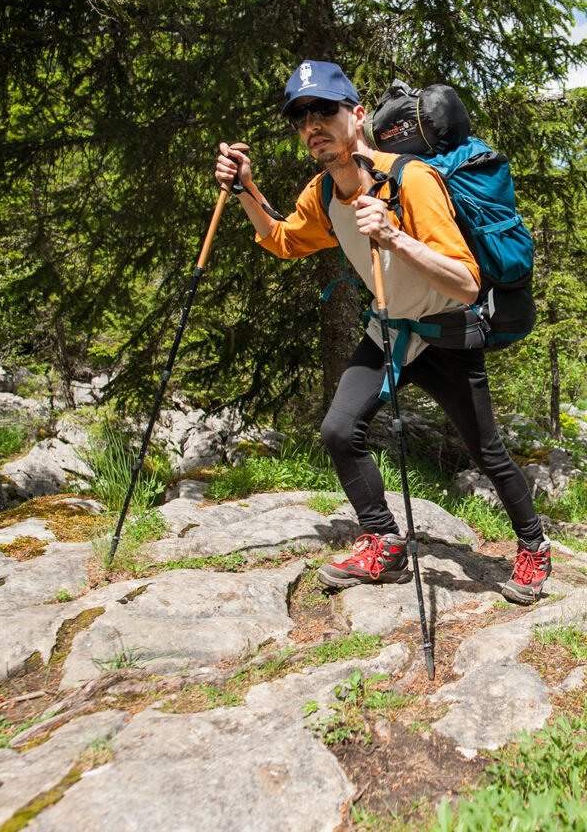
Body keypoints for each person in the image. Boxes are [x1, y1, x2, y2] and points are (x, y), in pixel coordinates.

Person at [213, 60, 551, 605]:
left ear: (357, 116)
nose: (312, 124)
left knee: (486, 451)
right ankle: (385, 542)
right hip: (389, 330)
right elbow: (281, 239)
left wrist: (396, 239)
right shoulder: (322, 193)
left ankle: (534, 546)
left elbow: (466, 282)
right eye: (301, 117)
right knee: (339, 431)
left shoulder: (411, 179)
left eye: (325, 110)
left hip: (446, 330)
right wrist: (246, 189)